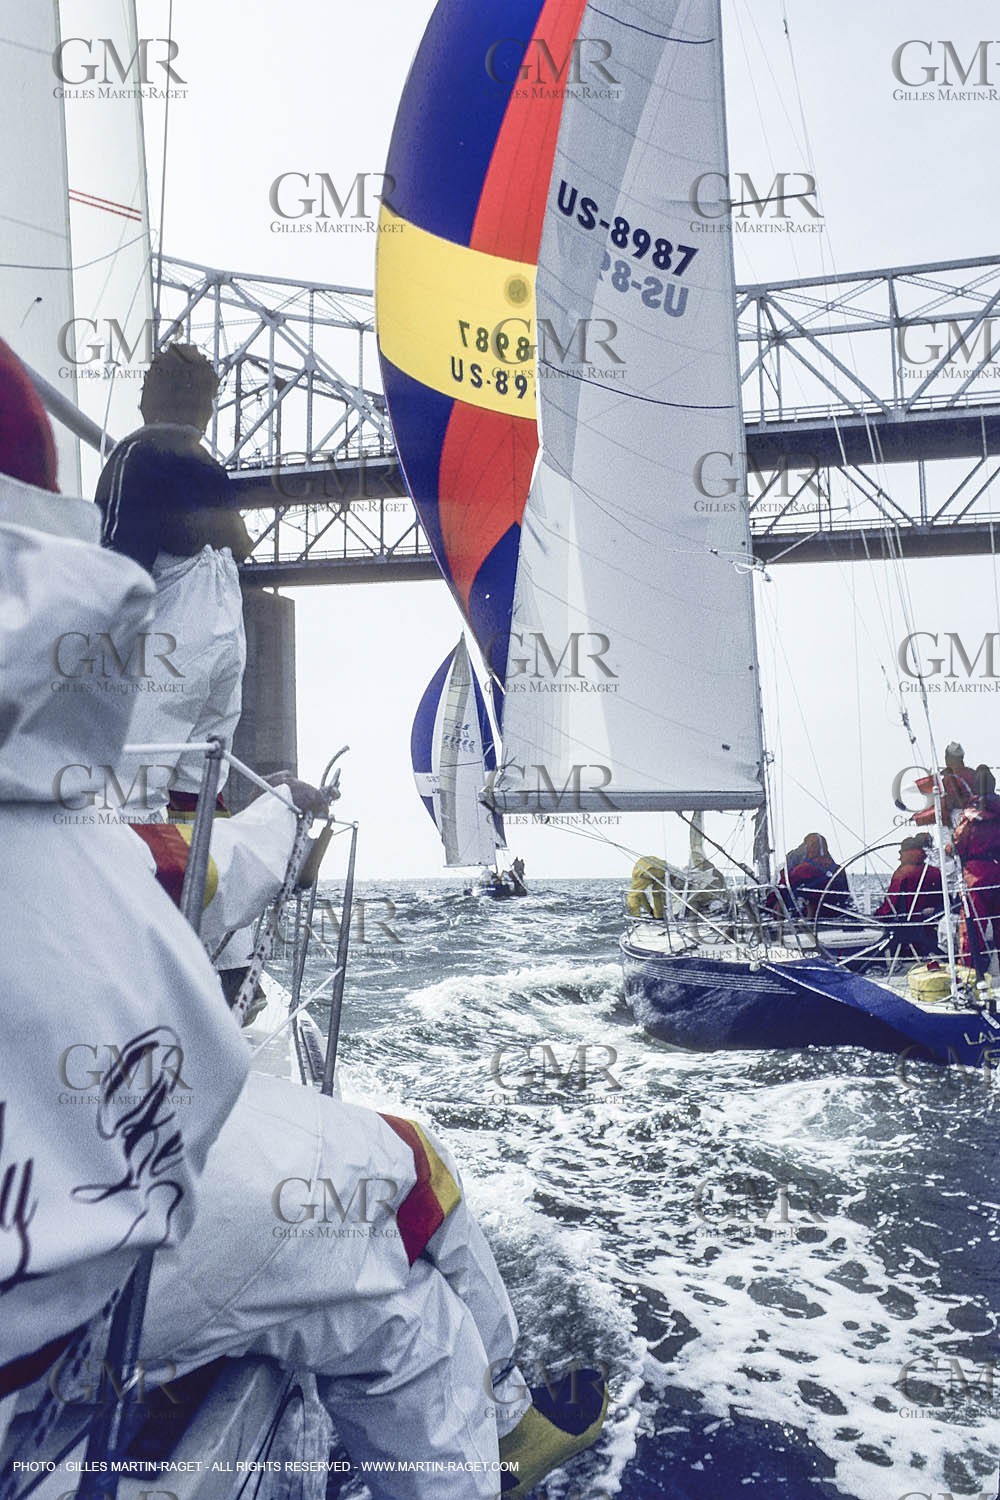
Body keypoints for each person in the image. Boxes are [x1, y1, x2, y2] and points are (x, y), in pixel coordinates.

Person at [2, 345, 608, 1497]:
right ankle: (505, 1422)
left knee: (378, 1258)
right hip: (55, 1294)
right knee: (404, 1197)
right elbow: (172, 890)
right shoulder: (68, 791)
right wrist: (285, 816)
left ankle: (507, 1412)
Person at [0, 339, 250, 1453]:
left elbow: (153, 544)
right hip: (186, 669)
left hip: (180, 676)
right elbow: (226, 538)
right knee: (170, 795)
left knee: (163, 791)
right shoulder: (169, 459)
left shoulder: (144, 461)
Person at [953, 765, 1000, 977]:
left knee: (972, 931)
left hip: (975, 875)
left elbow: (959, 842)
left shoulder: (971, 814)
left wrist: (949, 848)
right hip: (998, 871)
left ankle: (969, 977)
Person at [875, 834, 943, 957]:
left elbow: (891, 903)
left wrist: (877, 916)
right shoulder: (935, 872)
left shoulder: (902, 872)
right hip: (929, 925)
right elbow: (942, 900)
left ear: (905, 852)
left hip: (904, 925)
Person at [776, 833, 852, 924]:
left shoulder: (803, 869)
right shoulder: (838, 869)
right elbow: (845, 894)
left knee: (781, 895)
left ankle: (778, 921)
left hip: (811, 915)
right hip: (836, 913)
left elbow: (784, 885)